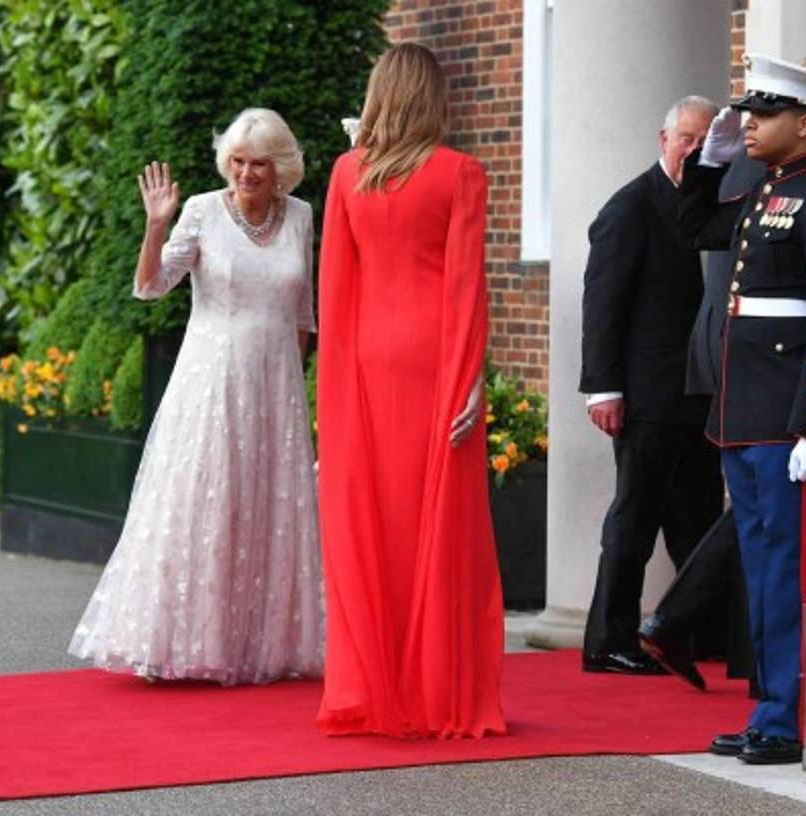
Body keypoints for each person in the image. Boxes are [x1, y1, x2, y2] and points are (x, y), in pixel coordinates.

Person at [640, 58, 806, 698]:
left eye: (764, 114)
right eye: (748, 113)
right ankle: (774, 707)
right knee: (761, 562)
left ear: (805, 124)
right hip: (746, 411)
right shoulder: (770, 193)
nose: (748, 124)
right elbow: (695, 229)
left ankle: (797, 708)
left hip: (788, 416)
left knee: (791, 567)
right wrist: (709, 165)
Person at [69, 109, 324, 685]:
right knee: (206, 504)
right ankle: (183, 643)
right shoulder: (203, 211)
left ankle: (260, 645)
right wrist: (156, 225)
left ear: (281, 167)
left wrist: (293, 381)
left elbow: (303, 308)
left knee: (267, 509)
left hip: (276, 385)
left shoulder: (302, 216)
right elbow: (149, 287)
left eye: (260, 163)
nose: (247, 173)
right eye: (237, 161)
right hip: (212, 382)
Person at [316, 43, 506, 738]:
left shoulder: (345, 175)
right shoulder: (461, 174)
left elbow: (334, 287)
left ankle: (375, 684)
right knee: (439, 524)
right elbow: (465, 287)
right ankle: (437, 693)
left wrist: (333, 390)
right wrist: (471, 377)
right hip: (432, 359)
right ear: (434, 98)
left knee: (372, 522)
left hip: (366, 359)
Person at [578, 96, 725, 675]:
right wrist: (603, 388)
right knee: (634, 520)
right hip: (645, 395)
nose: (693, 148)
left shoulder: (715, 204)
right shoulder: (630, 207)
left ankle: (698, 632)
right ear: (663, 138)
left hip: (701, 393)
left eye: (704, 140)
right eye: (685, 137)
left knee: (698, 518)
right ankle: (608, 640)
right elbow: (602, 304)